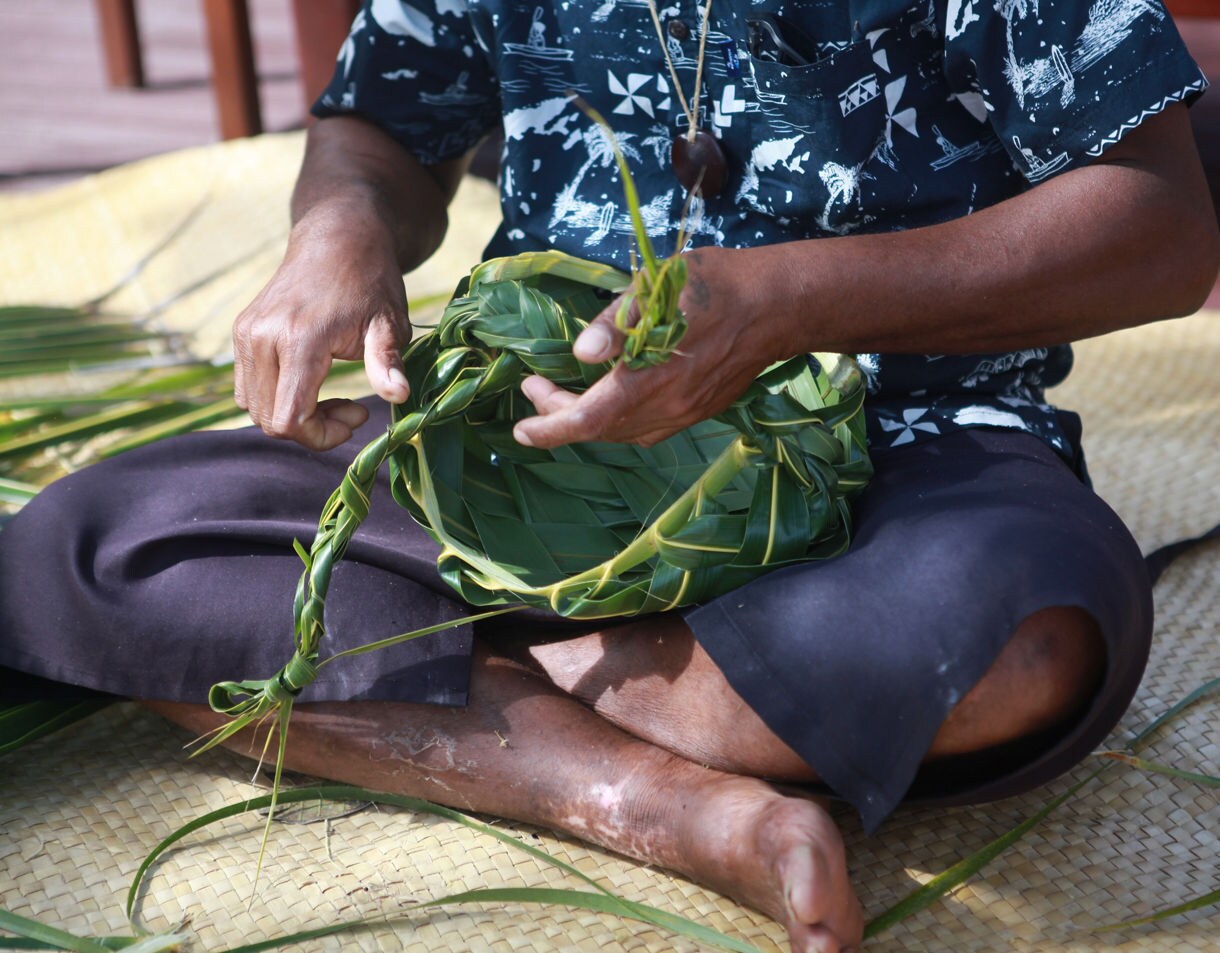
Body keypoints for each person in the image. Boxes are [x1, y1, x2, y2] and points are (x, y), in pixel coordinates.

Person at [2, 2, 1217, 951]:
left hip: (900, 434)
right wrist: (340, 232)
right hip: (521, 453)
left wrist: (788, 302)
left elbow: (1158, 226)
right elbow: (381, 122)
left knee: (1018, 648)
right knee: (96, 552)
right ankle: (672, 803)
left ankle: (502, 672)